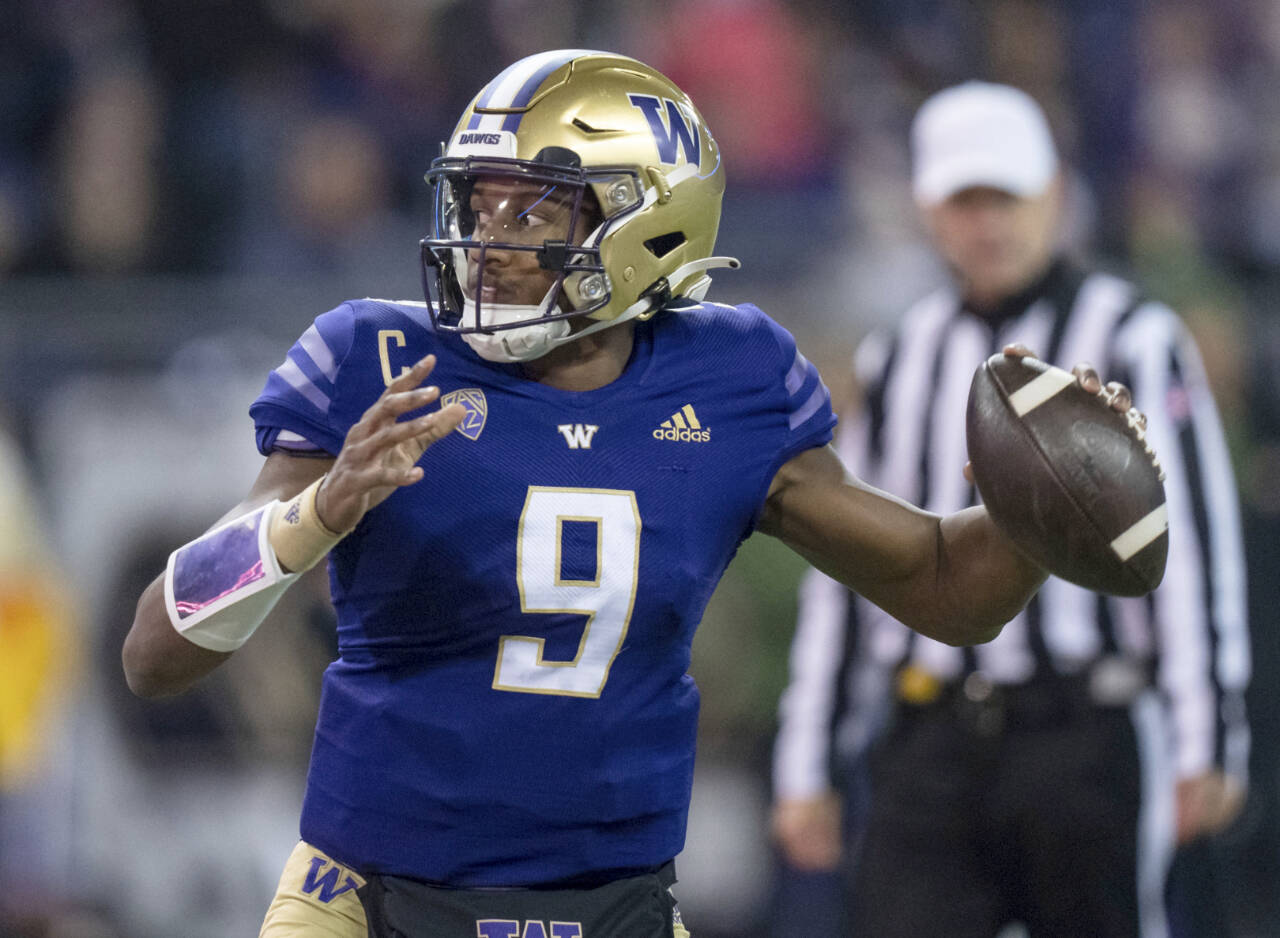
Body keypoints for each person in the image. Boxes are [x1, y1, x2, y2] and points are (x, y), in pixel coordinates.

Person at [122, 54, 1135, 938]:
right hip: (367, 897)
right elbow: (155, 651)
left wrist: (1037, 503)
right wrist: (315, 514)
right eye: (477, 202)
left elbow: (943, 585)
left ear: (647, 224)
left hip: (617, 903)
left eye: (532, 208)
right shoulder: (376, 359)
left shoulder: (731, 379)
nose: (490, 238)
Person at [771, 81, 1250, 938]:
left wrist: (1207, 734)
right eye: (966, 200)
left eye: (1007, 196)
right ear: (928, 209)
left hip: (1084, 731)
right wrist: (809, 758)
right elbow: (848, 568)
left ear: (1055, 194)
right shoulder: (900, 354)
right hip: (929, 733)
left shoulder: (1133, 336)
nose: (988, 223)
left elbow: (1195, 548)